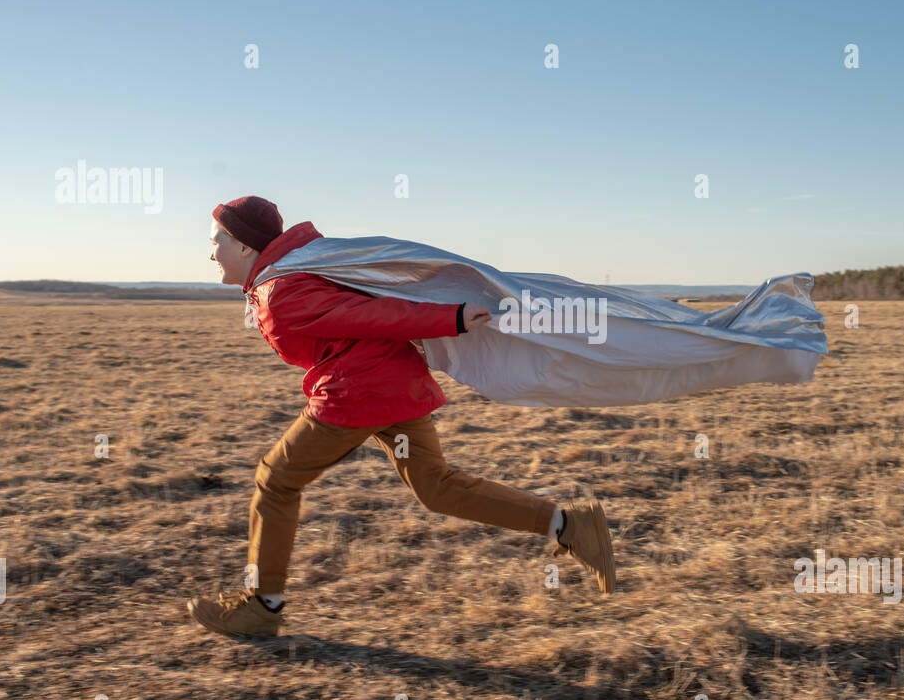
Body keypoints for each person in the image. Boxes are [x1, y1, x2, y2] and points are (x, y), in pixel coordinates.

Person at [187, 195, 615, 638]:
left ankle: (262, 606)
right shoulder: (289, 275)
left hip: (357, 393)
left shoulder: (282, 291)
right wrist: (448, 317)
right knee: (437, 487)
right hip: (393, 385)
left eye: (216, 240)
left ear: (243, 247)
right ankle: (572, 525)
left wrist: (450, 317)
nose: (210, 250)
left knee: (275, 480)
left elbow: (371, 314)